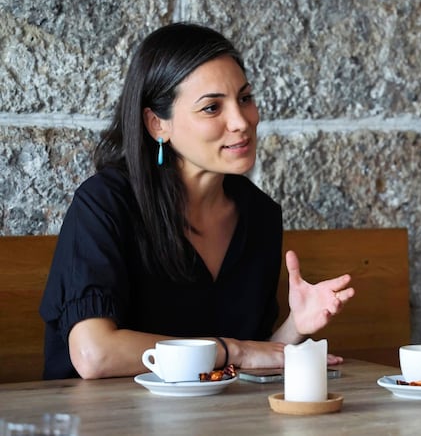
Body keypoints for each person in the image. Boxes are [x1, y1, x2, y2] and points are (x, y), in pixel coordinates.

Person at [39, 22, 354, 380]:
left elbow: (249, 360)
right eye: (211, 108)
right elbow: (94, 354)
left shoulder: (260, 215)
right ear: (158, 124)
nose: (241, 121)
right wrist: (233, 349)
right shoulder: (105, 203)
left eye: (245, 98)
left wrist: (296, 326)